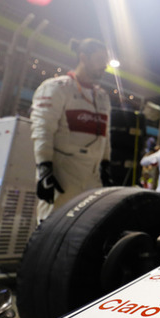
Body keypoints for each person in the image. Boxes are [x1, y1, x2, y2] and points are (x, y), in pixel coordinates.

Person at [30, 38, 113, 221]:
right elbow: (43, 130)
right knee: (51, 236)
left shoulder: (102, 97)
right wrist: (44, 169)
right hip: (62, 177)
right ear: (83, 58)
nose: (104, 66)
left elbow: (105, 136)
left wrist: (105, 166)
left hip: (92, 179)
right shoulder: (57, 87)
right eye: (100, 60)